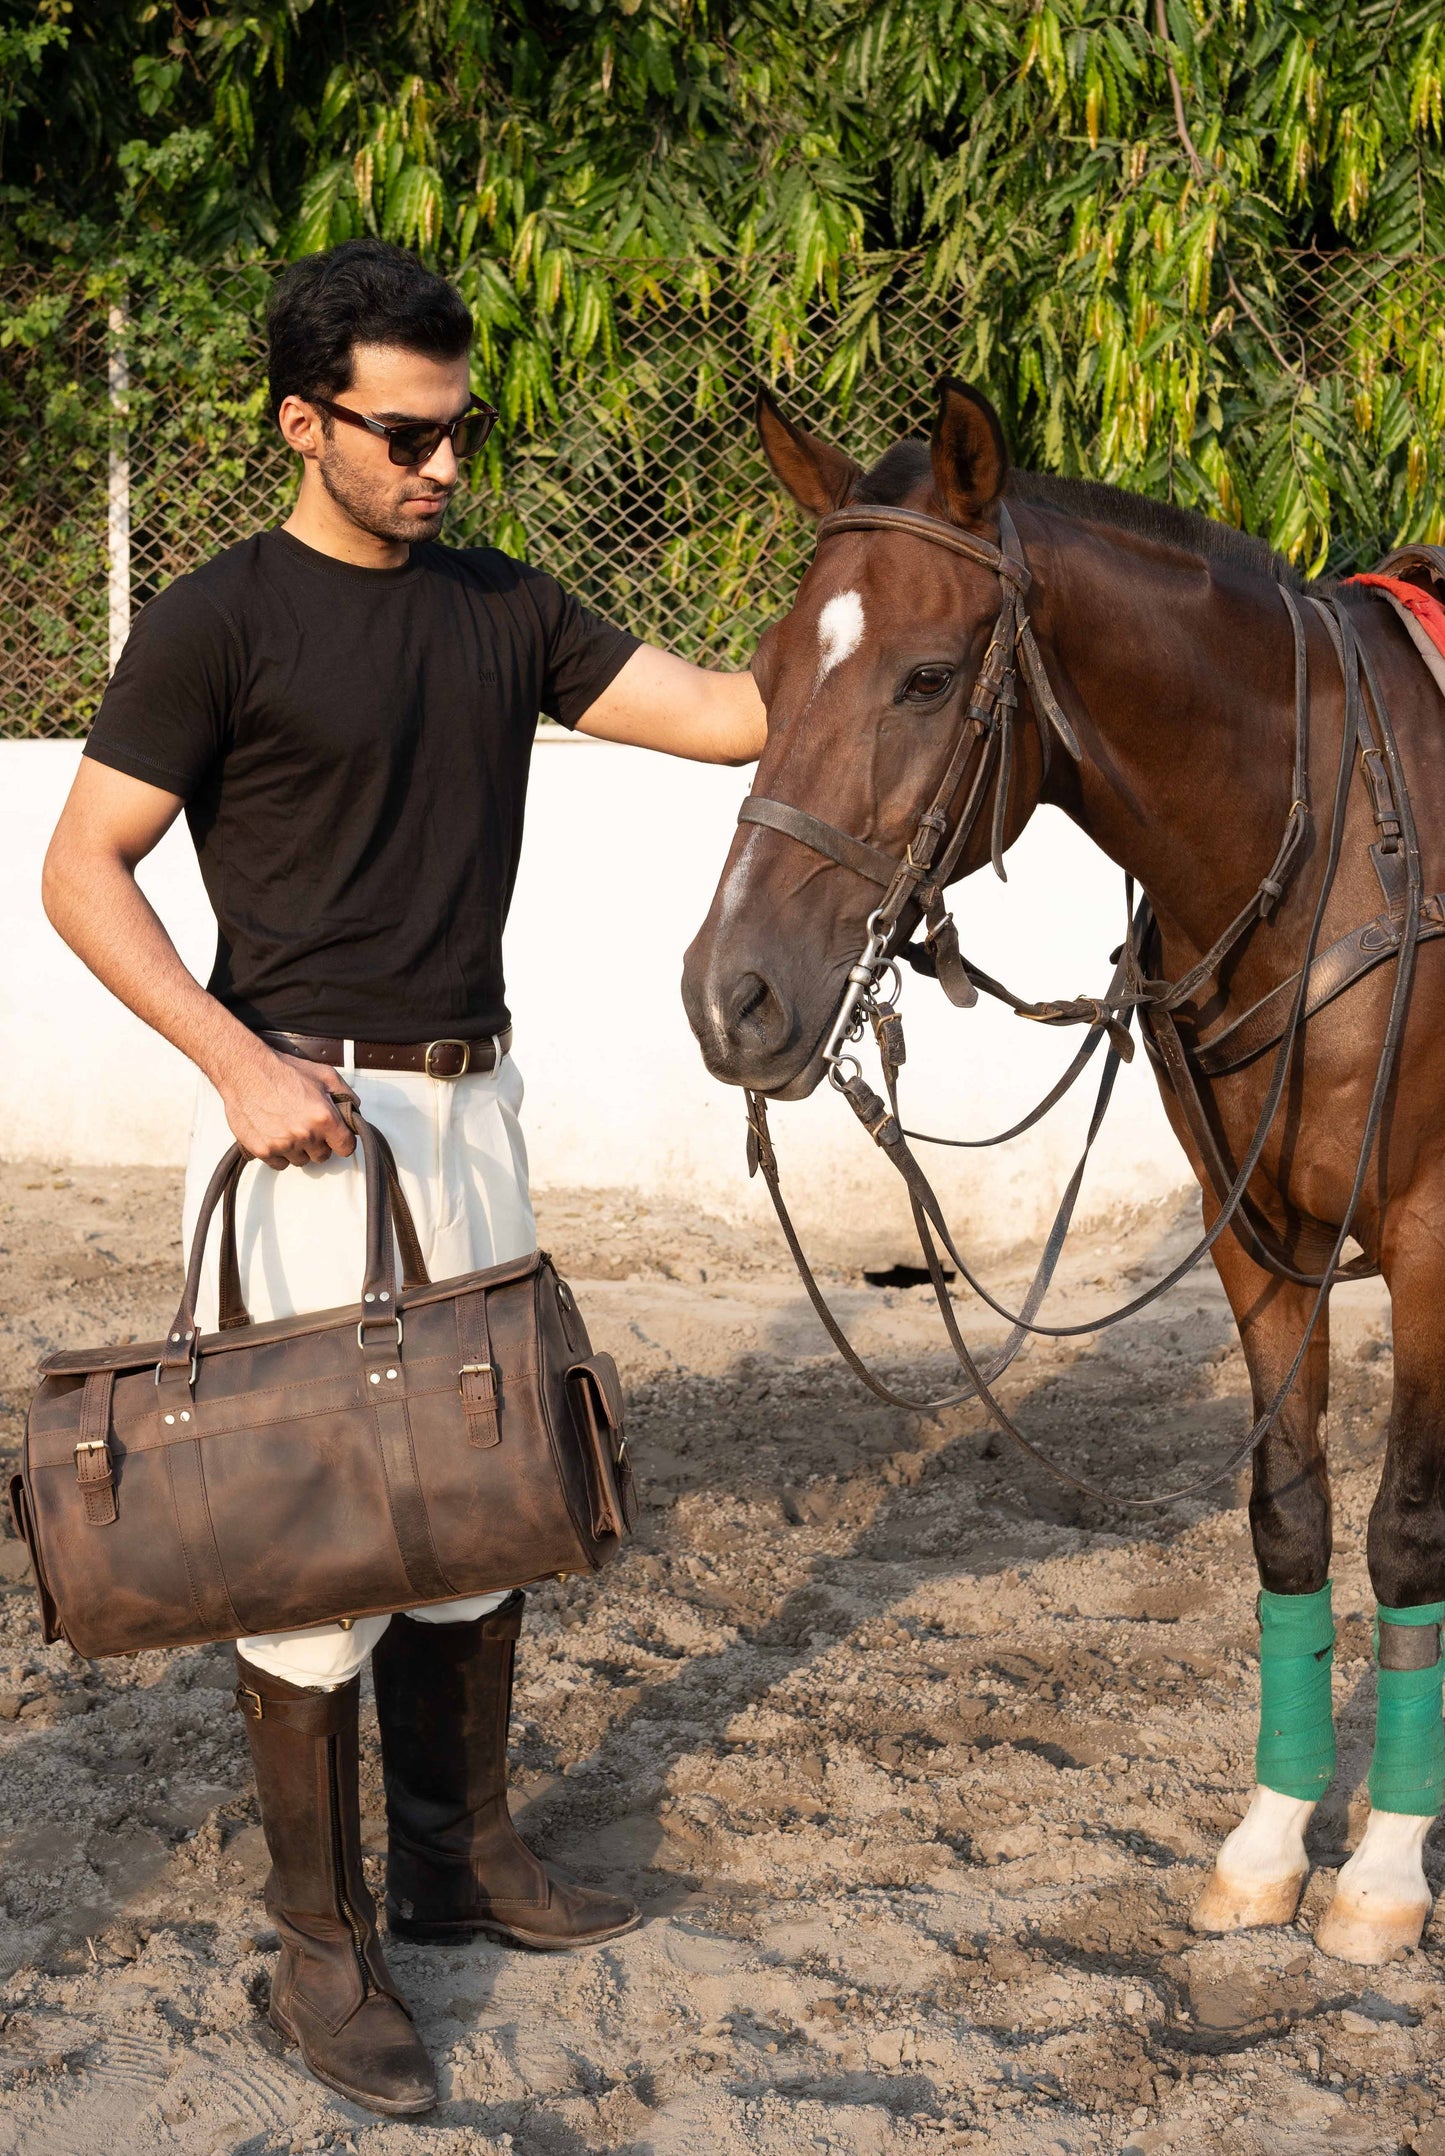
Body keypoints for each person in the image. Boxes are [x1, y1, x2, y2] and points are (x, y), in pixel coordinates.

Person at [41, 239, 766, 2118]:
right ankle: (320, 1938)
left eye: (463, 433)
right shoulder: (216, 622)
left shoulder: (503, 608)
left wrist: (883, 614)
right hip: (298, 1122)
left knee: (485, 1501)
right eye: (406, 434)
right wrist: (236, 1060)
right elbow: (80, 871)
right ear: (305, 423)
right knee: (308, 1545)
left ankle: (461, 1856)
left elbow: (726, 711)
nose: (444, 468)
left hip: (472, 1110)